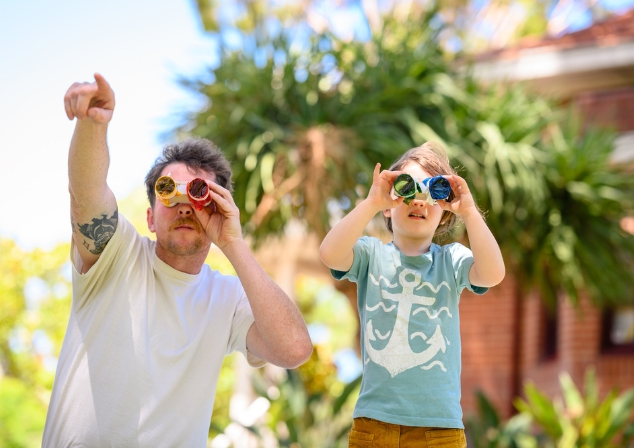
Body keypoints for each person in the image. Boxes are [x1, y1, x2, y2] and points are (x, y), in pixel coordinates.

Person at [42, 73, 313, 447]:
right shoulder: (116, 255)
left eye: (200, 194)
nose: (185, 205)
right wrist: (93, 124)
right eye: (168, 192)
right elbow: (87, 192)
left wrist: (232, 243)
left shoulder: (227, 298)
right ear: (151, 217)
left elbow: (295, 350)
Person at [319, 142, 505, 447]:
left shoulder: (452, 260)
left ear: (444, 212)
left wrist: (470, 213)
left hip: (439, 430)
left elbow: (493, 274)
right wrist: (371, 203)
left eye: (434, 191)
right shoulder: (370, 255)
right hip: (374, 424)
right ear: (390, 207)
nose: (419, 200)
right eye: (407, 188)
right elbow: (329, 253)